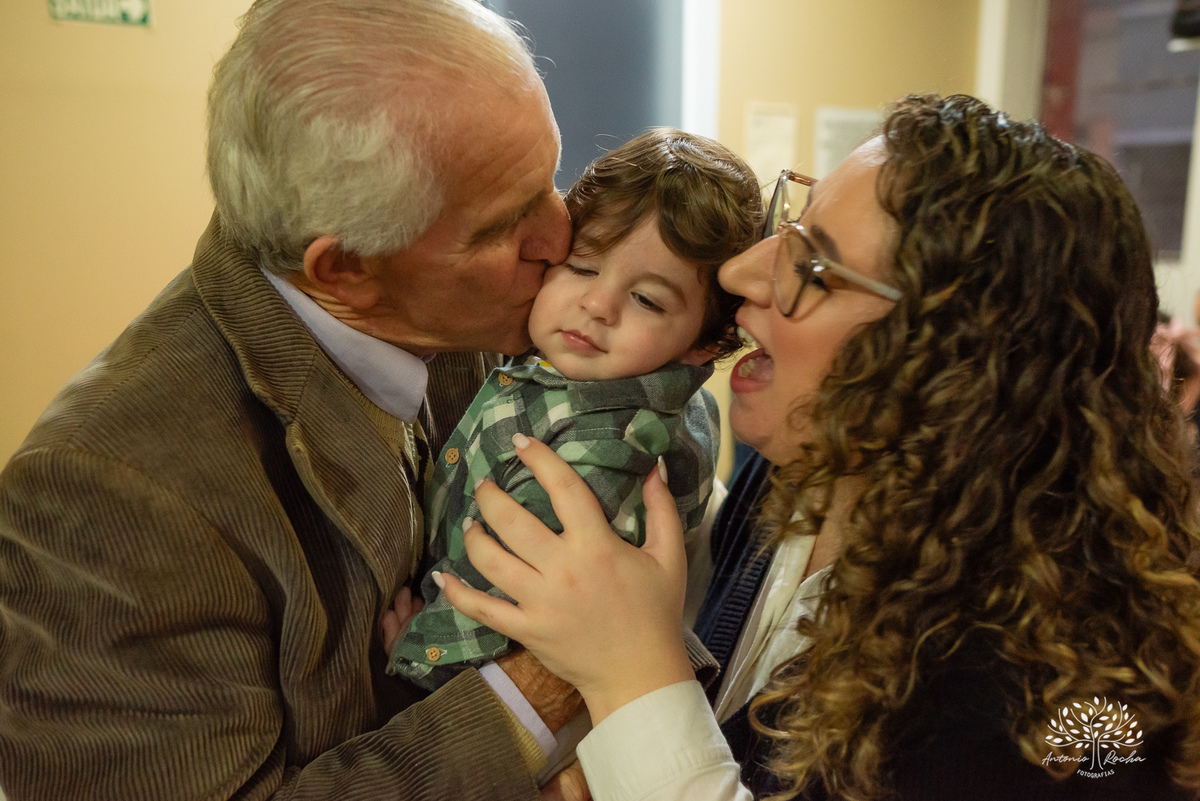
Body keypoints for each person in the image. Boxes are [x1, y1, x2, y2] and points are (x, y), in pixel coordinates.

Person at [441, 94, 1200, 800]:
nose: (738, 277)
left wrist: (630, 676)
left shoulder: (1068, 708)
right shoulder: (789, 477)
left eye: (810, 268)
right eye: (786, 228)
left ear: (953, 362)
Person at [0, 0, 597, 798]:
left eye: (549, 179)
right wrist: (547, 683)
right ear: (344, 268)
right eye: (507, 223)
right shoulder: (105, 490)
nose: (562, 239)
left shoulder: (484, 309)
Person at [386, 128, 761, 691]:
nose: (597, 304)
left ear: (705, 343)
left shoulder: (605, 455)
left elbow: (504, 590)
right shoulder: (601, 377)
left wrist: (418, 658)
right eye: (584, 267)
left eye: (647, 300)